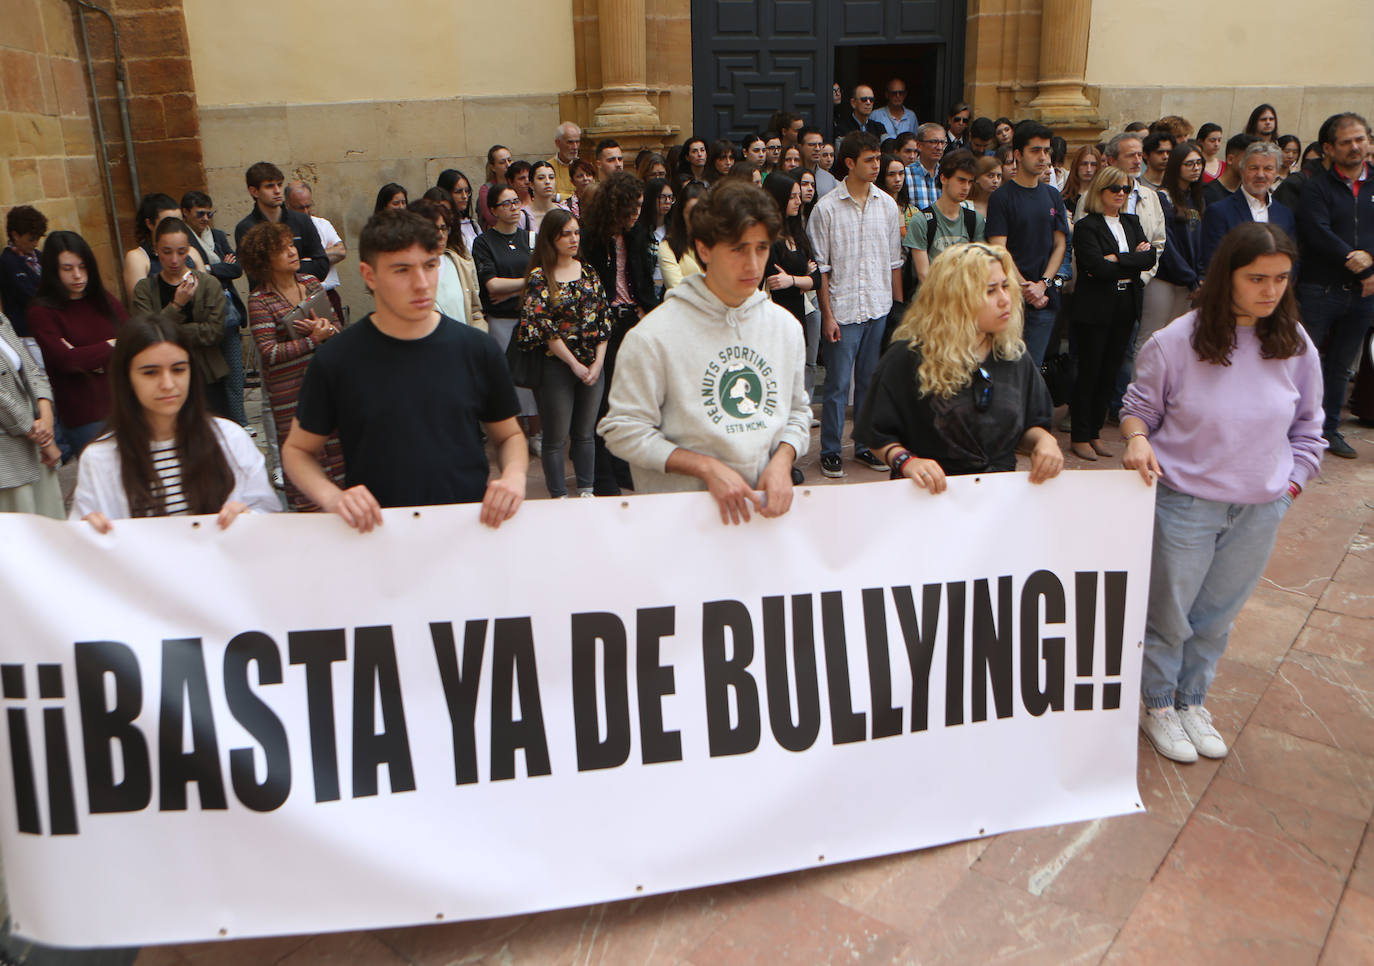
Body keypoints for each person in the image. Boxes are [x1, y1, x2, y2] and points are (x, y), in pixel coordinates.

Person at [1121, 222, 1323, 763]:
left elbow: (1309, 425)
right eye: (1257, 277)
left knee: (1217, 616)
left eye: (1281, 278)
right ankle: (1157, 702)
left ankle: (1192, 700)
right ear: (1225, 275)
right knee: (1170, 613)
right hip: (1185, 502)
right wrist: (1138, 441)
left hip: (1261, 506)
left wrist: (1291, 485)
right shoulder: (1174, 343)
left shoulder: (1295, 342)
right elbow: (1138, 411)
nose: (1270, 290)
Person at [284, 210, 527, 528]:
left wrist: (513, 476)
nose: (421, 284)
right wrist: (334, 498)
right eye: (402, 270)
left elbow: (509, 435)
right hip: (380, 533)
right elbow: (297, 450)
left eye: (430, 266)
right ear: (369, 275)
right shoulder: (338, 359)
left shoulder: (476, 349)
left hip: (466, 529)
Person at [600, 180, 810, 523]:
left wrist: (783, 459)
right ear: (705, 249)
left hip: (762, 522)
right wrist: (706, 467)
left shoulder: (785, 328)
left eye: (761, 248)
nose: (753, 265)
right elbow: (623, 430)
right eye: (738, 249)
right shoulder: (652, 336)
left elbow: (798, 412)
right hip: (680, 526)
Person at [854, 242, 1062, 487]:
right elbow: (876, 433)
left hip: (998, 496)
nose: (1006, 300)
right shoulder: (908, 356)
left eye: (1006, 287)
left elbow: (1031, 423)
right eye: (990, 291)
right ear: (957, 299)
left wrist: (1044, 442)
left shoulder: (1013, 354)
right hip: (931, 498)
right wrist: (908, 462)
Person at [72, 314, 278, 530]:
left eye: (178, 369)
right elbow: (81, 540)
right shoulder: (99, 457)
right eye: (150, 373)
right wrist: (87, 534)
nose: (168, 384)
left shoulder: (230, 438)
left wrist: (248, 517)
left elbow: (267, 513)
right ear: (126, 378)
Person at [808, 132, 903, 478]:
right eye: (870, 159)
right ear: (849, 163)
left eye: (879, 159)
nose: (877, 166)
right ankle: (831, 450)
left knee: (869, 382)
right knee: (835, 386)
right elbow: (822, 269)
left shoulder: (888, 205)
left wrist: (896, 308)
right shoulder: (826, 209)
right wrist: (828, 315)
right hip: (843, 310)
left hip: (877, 307)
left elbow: (894, 261)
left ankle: (865, 445)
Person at [238, 221, 344, 510]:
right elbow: (269, 353)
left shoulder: (310, 283)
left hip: (325, 385)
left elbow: (337, 328)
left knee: (337, 450)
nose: (292, 251)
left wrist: (326, 330)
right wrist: (313, 339)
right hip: (290, 396)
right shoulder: (259, 300)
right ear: (264, 259)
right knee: (304, 455)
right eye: (281, 248)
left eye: (291, 244)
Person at [1295, 112, 1374, 460]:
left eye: (1361, 139)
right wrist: (1357, 263)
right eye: (1346, 141)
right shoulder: (1315, 187)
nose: (1355, 147)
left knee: (1341, 364)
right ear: (1329, 148)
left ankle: (1328, 430)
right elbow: (1317, 232)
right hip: (1319, 289)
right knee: (1303, 360)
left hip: (1364, 293)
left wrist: (1369, 261)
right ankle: (1293, 427)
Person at [516, 209, 610, 499]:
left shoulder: (589, 271)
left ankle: (586, 490)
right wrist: (574, 364)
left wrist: (596, 363)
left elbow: (603, 319)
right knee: (556, 437)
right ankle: (558, 495)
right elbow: (544, 328)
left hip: (592, 363)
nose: (573, 239)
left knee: (585, 433)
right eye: (566, 233)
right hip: (555, 366)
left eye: (576, 233)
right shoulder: (539, 277)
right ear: (551, 237)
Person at [1068, 166, 1156, 462]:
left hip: (1126, 304)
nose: (1121, 194)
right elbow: (1096, 266)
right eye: (1115, 189)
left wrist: (1118, 258)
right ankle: (1080, 435)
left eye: (1126, 189)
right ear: (1101, 191)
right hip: (1096, 307)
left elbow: (1148, 258)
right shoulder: (1087, 226)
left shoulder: (1131, 223)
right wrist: (1128, 260)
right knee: (1090, 372)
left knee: (1110, 373)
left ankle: (1094, 432)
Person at [580, 171, 659, 494]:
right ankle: (604, 476)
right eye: (632, 207)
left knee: (630, 399)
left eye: (641, 207)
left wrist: (645, 308)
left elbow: (641, 276)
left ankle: (624, 467)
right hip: (603, 326)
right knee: (603, 402)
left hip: (632, 321)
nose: (637, 214)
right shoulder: (592, 238)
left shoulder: (637, 233)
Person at [27, 232, 127, 456]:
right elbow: (66, 361)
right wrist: (112, 345)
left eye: (83, 266)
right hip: (86, 414)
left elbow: (134, 340)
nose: (78, 275)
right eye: (67, 268)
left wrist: (86, 356)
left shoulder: (103, 299)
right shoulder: (42, 312)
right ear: (53, 270)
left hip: (125, 404)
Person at [986, 122, 1069, 366]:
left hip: (1045, 299)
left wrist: (1043, 285)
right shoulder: (1001, 197)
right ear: (1018, 155)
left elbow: (1060, 245)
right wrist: (1025, 287)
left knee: (1032, 370)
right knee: (1006, 367)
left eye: (1046, 150)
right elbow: (999, 249)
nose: (1043, 157)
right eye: (1035, 151)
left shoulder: (1053, 195)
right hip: (1011, 299)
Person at [132, 218, 230, 418]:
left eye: (181, 252)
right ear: (156, 250)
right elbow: (147, 337)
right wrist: (177, 305)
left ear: (189, 250)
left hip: (207, 375)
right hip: (165, 380)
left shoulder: (208, 284)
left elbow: (214, 332)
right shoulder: (145, 289)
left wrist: (168, 332)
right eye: (167, 252)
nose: (174, 260)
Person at [182, 190, 250, 427]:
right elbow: (191, 275)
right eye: (200, 213)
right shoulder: (183, 241)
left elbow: (237, 269)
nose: (205, 219)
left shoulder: (218, 236)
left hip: (228, 313)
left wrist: (209, 269)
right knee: (208, 375)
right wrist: (217, 267)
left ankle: (240, 422)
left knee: (234, 372)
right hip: (200, 314)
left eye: (209, 213)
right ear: (185, 213)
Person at [0, 309, 62, 517]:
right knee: (20, 535)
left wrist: (47, 417)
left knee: (51, 527)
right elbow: (2, 400)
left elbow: (32, 369)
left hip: (35, 440)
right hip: (7, 455)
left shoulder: (2, 320)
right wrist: (43, 438)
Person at [1145, 141, 1206, 349]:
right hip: (1165, 278)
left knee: (1177, 340)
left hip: (1189, 282)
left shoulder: (1196, 198)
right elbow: (1167, 243)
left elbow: (1198, 242)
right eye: (1189, 164)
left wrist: (1198, 278)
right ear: (1176, 166)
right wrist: (1191, 278)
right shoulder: (1163, 197)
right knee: (1151, 338)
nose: (1196, 168)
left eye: (1199, 163)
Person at [1198, 142, 1296, 272]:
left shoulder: (1285, 214)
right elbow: (1213, 262)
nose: (1260, 175)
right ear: (1242, 171)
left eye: (1268, 169)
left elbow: (1293, 261)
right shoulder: (1219, 212)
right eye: (1254, 168)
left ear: (1276, 173)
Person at [233, 162, 329, 283]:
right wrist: (301, 263)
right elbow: (256, 276)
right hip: (268, 299)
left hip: (306, 293)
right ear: (254, 191)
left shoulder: (302, 220)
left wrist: (278, 267)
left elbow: (322, 266)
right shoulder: (246, 228)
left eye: (279, 185)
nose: (277, 191)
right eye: (269, 186)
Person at [905, 150, 986, 284]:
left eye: (970, 182)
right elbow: (924, 274)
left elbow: (979, 267)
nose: (966, 187)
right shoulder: (922, 220)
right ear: (943, 178)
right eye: (961, 180)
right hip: (931, 299)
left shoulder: (975, 220)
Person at [420, 188, 486, 331]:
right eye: (433, 227)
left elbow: (475, 311)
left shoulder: (460, 262)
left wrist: (477, 339)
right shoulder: (411, 272)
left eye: (443, 228)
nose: (440, 235)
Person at [1, 205, 48, 356]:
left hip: (47, 328)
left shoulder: (40, 257)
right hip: (27, 335)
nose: (35, 243)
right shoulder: (7, 262)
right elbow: (28, 295)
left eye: (38, 238)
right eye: (31, 239)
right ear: (15, 235)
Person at [123, 194, 188, 299]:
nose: (173, 228)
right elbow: (140, 305)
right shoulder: (138, 257)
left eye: (178, 222)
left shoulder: (192, 252)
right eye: (166, 223)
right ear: (150, 224)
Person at [660, 181, 707, 290]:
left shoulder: (719, 243)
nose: (697, 217)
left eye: (702, 211)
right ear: (682, 214)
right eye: (691, 212)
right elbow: (677, 288)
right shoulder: (668, 246)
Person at [637, 178, 673, 298]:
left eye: (670, 197)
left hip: (669, 287)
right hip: (649, 289)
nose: (667, 201)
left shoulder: (673, 229)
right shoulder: (641, 230)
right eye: (663, 197)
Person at [1202, 134, 1256, 206]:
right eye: (1249, 160)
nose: (1254, 166)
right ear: (1230, 159)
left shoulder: (1250, 194)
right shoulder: (1207, 193)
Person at [905, 122, 946, 212]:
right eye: (934, 142)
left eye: (942, 142)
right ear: (919, 145)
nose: (939, 147)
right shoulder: (906, 174)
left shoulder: (947, 175)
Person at [439, 169, 481, 250]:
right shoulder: (443, 227)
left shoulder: (473, 225)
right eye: (458, 192)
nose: (464, 196)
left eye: (467, 191)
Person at [1060, 144, 1102, 221]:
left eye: (1093, 164)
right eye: (1084, 164)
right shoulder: (1063, 198)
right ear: (1076, 165)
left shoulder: (1102, 197)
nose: (1088, 169)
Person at [522, 160, 566, 233]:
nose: (547, 182)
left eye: (551, 177)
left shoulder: (565, 211)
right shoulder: (523, 216)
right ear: (531, 184)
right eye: (541, 178)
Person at [477, 145, 514, 229]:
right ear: (493, 167)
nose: (508, 165)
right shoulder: (486, 190)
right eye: (502, 162)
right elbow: (491, 218)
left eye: (509, 160)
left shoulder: (518, 183)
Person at [798, 126, 840, 197]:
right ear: (800, 147)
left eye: (820, 145)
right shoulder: (791, 175)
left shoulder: (829, 179)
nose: (817, 148)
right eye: (812, 144)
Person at [550, 121, 583, 198]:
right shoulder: (548, 167)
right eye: (570, 142)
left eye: (577, 142)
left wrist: (558, 196)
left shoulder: (584, 167)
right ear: (558, 143)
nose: (575, 147)